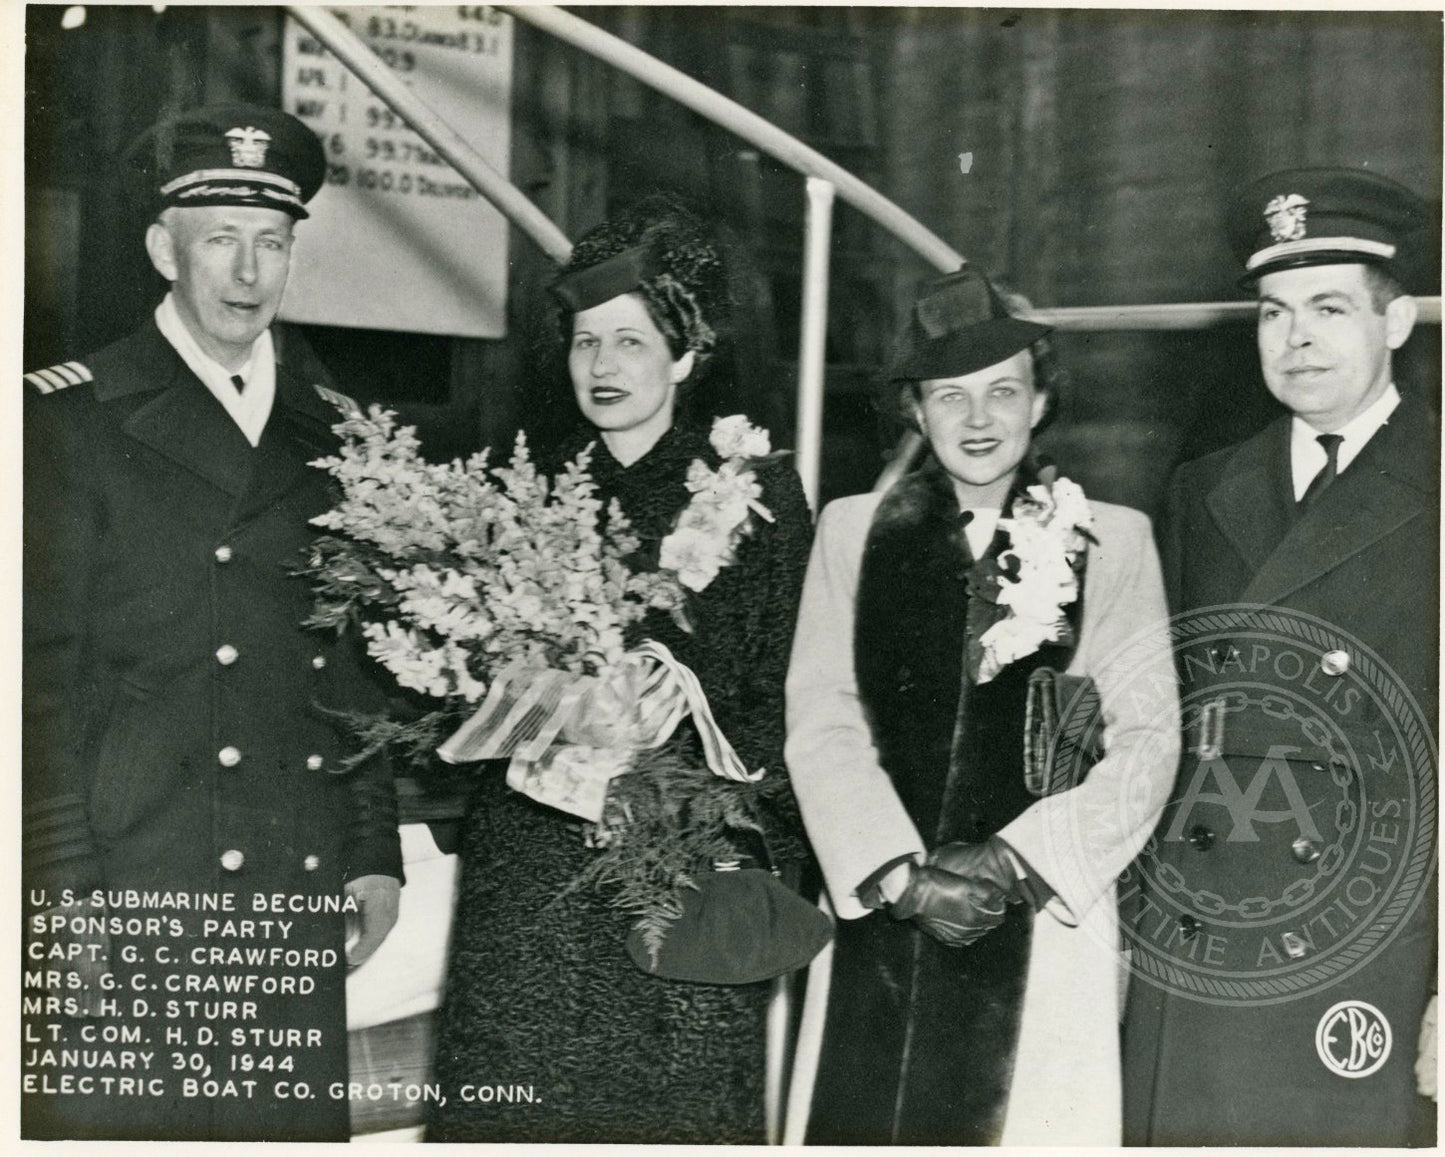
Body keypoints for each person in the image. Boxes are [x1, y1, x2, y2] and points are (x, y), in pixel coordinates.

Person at [22, 104, 403, 1141]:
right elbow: (35, 688)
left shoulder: (335, 434)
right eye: (220, 241)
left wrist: (373, 845)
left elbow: (353, 662)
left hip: (288, 887)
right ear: (163, 249)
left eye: (272, 242)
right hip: (134, 882)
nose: (247, 274)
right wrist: (63, 899)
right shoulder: (67, 421)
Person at [426, 195, 813, 1143]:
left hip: (681, 878)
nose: (601, 368)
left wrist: (689, 707)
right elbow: (462, 689)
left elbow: (795, 693)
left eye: (630, 342)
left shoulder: (756, 495)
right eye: (584, 342)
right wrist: (533, 698)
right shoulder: (524, 490)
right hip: (533, 885)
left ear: (687, 353)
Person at [783, 268, 1180, 1144]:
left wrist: (1011, 861)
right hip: (885, 913)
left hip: (1039, 920)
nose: (976, 419)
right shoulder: (851, 532)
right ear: (914, 413)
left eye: (1002, 391)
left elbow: (1147, 743)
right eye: (947, 396)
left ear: (1039, 403)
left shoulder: (1111, 541)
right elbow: (822, 716)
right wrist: (897, 874)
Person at [1122, 168, 1438, 1146]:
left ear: (1395, 323)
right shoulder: (1199, 487)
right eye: (1272, 310)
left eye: (1328, 307)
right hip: (1198, 946)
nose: (1293, 337)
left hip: (1371, 939)